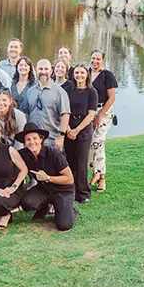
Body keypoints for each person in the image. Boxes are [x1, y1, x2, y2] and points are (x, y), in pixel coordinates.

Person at [18, 125, 76, 231]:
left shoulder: (55, 154)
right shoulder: (23, 154)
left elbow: (69, 179)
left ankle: (71, 208)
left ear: (41, 139)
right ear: (24, 142)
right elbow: (8, 155)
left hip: (62, 190)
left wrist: (48, 178)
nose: (32, 142)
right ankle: (45, 207)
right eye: (28, 139)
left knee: (64, 225)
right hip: (44, 189)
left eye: (35, 138)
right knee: (27, 203)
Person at [63, 64, 98, 204]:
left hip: (84, 129)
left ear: (87, 75)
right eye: (77, 73)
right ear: (73, 75)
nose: (79, 75)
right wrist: (68, 130)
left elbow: (91, 114)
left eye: (82, 73)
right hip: (69, 126)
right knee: (70, 161)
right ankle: (70, 190)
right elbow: (63, 110)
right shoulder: (67, 90)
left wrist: (76, 130)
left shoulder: (92, 92)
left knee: (81, 162)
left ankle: (83, 193)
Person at [88, 50, 117, 193]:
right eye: (93, 58)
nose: (95, 61)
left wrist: (100, 115)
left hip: (104, 112)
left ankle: (100, 175)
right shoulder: (86, 73)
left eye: (98, 59)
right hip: (89, 113)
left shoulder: (107, 75)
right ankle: (98, 173)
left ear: (102, 60)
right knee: (92, 144)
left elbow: (111, 98)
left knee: (97, 142)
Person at [27, 59, 71, 152]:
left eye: (46, 69)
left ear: (51, 71)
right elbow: (26, 113)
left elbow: (65, 115)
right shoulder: (30, 91)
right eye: (40, 69)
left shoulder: (59, 92)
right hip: (33, 141)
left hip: (52, 140)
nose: (43, 72)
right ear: (36, 70)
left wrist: (61, 137)